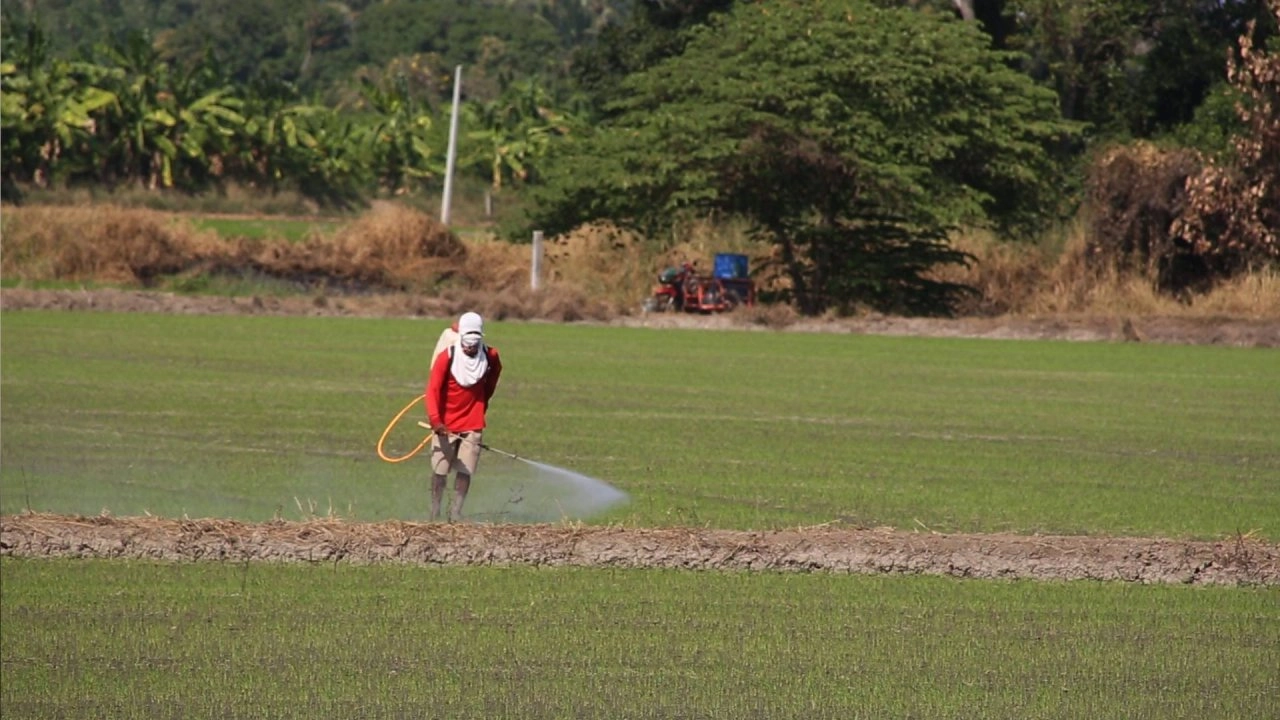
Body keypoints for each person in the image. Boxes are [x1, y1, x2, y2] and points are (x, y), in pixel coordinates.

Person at [424, 311, 502, 521]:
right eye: (466, 344)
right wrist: (435, 420)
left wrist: (481, 405)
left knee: (465, 471)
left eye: (474, 345)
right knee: (440, 471)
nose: (470, 348)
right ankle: (435, 512)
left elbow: (492, 382)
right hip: (445, 424)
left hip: (473, 423)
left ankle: (456, 512)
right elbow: (432, 391)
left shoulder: (491, 356)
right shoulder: (446, 358)